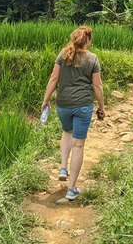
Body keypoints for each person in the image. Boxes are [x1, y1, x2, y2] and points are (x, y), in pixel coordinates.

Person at [41, 25, 106, 201]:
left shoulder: (63, 54)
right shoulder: (92, 59)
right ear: (88, 40)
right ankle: (72, 189)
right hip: (83, 105)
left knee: (66, 132)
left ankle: (63, 168)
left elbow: (54, 78)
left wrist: (46, 100)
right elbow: (97, 86)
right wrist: (102, 106)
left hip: (63, 104)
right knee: (78, 145)